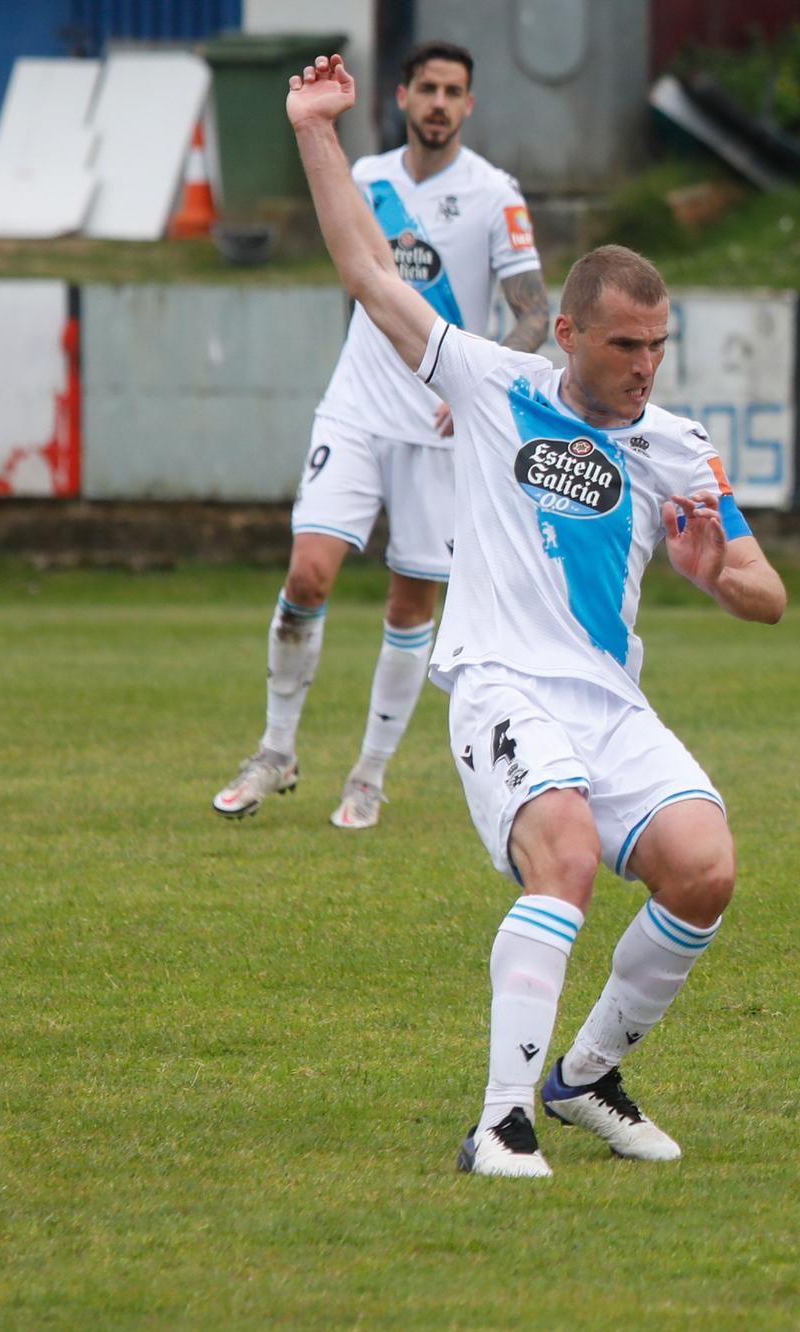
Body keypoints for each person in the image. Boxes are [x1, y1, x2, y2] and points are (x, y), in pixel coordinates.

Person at [286, 54, 789, 1178]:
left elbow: (767, 592)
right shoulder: (488, 382)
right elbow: (369, 273)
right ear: (564, 332)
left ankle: (585, 1076)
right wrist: (316, 129)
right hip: (501, 683)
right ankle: (500, 1121)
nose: (644, 367)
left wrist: (717, 576)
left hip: (607, 699)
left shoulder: (677, 446)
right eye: (624, 345)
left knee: (703, 865)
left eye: (659, 346)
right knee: (559, 852)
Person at [214, 40, 552, 830]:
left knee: (411, 606)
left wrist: (481, 384)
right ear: (401, 96)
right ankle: (275, 748)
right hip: (358, 408)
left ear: (470, 105)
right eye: (427, 87)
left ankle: (368, 774)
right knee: (308, 574)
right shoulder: (365, 179)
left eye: (454, 90)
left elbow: (534, 309)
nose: (439, 101)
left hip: (439, 426)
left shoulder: (495, 195)